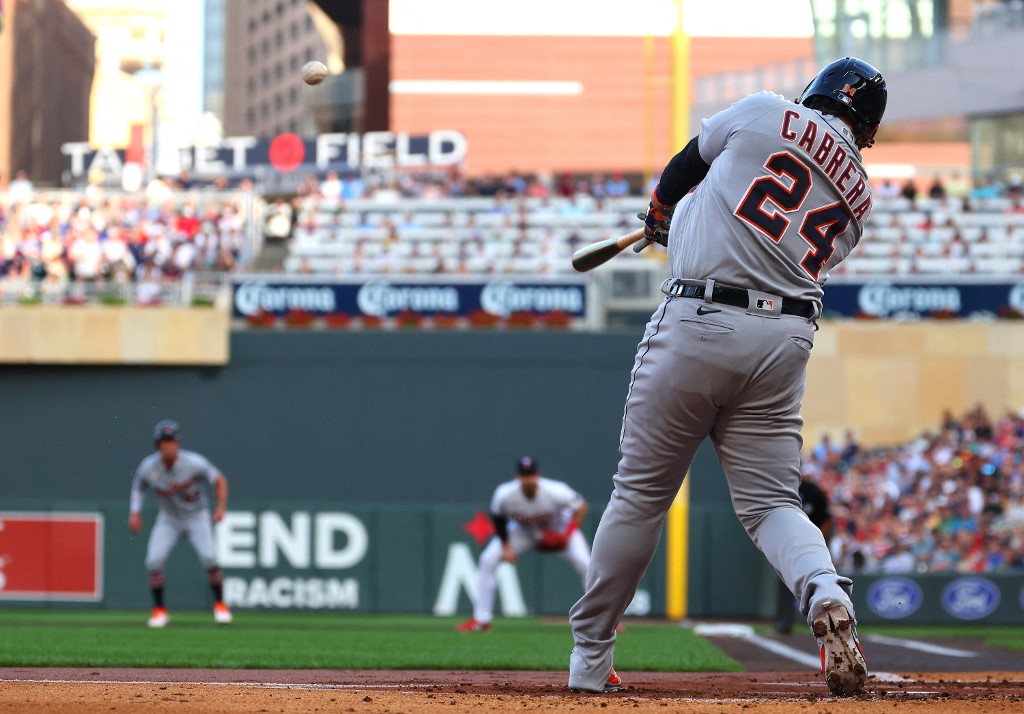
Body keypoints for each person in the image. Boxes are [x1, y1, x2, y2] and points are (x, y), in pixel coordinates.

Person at [567, 57, 886, 697]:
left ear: (816, 92)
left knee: (640, 497)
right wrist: (676, 220)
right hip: (785, 341)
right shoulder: (859, 194)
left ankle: (590, 662)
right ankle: (824, 587)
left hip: (701, 318)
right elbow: (751, 216)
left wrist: (660, 213)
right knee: (773, 505)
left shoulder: (766, 109)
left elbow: (690, 165)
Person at [457, 456, 590, 633]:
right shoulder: (504, 494)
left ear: (538, 475)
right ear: (517, 478)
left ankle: (604, 621)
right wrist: (505, 547)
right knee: (488, 559)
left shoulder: (556, 490)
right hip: (524, 531)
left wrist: (567, 534)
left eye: (531, 475)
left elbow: (581, 507)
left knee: (587, 565)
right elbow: (498, 518)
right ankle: (481, 620)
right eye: (524, 475)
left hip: (559, 528)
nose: (528, 479)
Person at [128, 420, 232, 628]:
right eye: (163, 441)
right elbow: (139, 487)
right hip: (168, 518)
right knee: (154, 561)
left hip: (196, 516)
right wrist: (135, 512)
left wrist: (221, 507)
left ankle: (220, 605)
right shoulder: (150, 468)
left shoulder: (193, 463)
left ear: (178, 442)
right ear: (157, 444)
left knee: (209, 558)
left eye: (171, 441)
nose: (168, 445)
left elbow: (219, 480)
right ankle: (159, 611)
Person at [774, 479, 832, 634]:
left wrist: (821, 543)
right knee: (785, 582)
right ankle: (784, 623)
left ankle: (826, 622)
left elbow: (826, 518)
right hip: (789, 542)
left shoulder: (812, 490)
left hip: (814, 541)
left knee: (820, 581)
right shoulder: (781, 489)